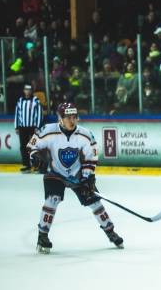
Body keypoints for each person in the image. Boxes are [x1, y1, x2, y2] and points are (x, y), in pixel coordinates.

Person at [27, 103, 123, 254]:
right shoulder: (47, 131)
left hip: (77, 175)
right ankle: (42, 235)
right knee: (52, 199)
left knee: (95, 201)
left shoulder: (85, 135)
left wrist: (86, 178)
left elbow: (90, 159)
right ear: (60, 118)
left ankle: (110, 232)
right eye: (67, 118)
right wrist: (35, 157)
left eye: (74, 117)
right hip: (54, 172)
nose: (71, 121)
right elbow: (32, 147)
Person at [14, 83, 43, 173]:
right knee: (23, 146)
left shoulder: (36, 100)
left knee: (35, 146)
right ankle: (26, 164)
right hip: (23, 127)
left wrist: (37, 126)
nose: (28, 91)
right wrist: (16, 127)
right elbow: (17, 114)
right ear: (24, 90)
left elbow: (39, 114)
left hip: (33, 127)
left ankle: (37, 165)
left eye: (29, 89)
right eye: (26, 89)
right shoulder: (20, 101)